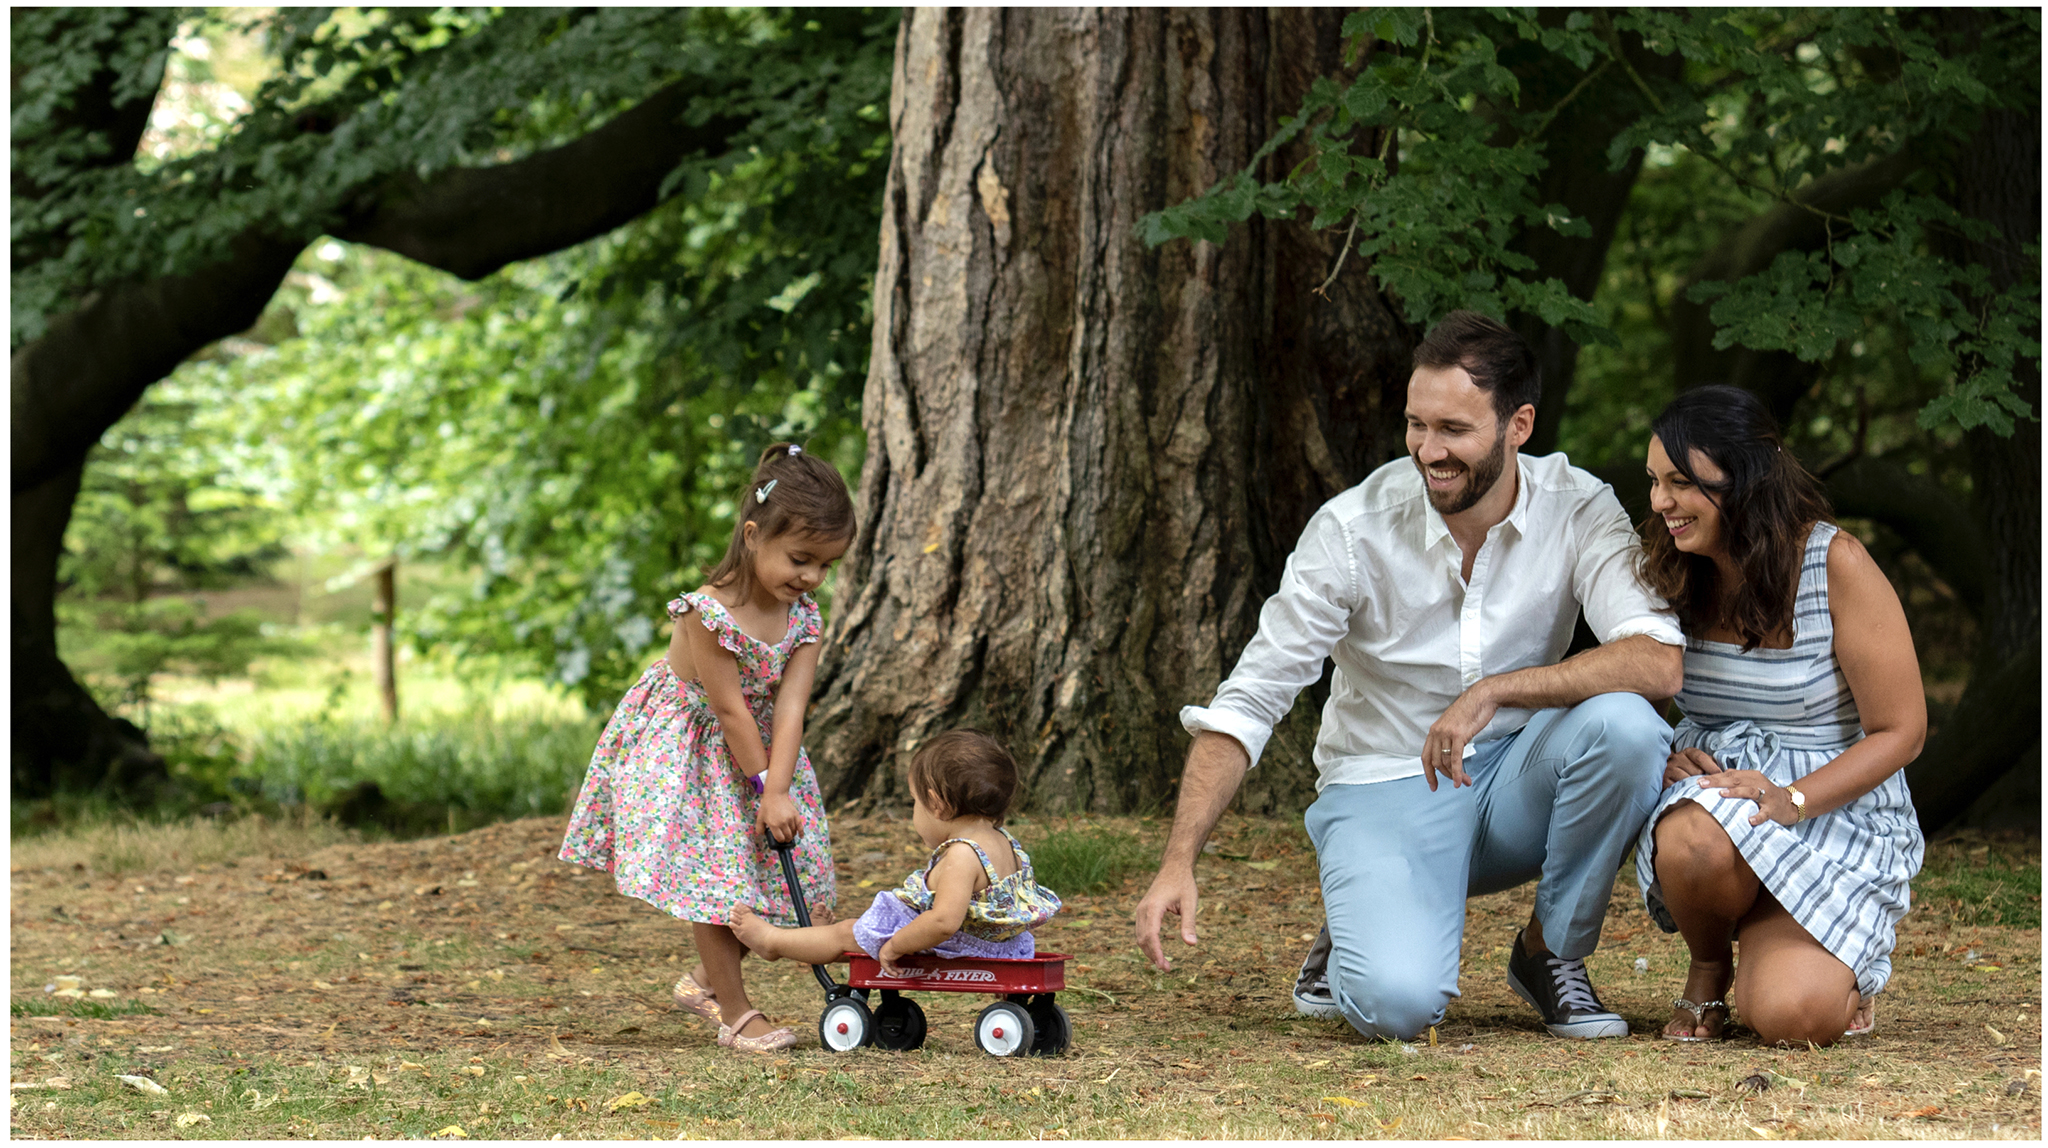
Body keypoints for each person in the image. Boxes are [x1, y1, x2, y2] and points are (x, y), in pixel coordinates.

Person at [1134, 310, 1686, 1041]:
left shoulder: (1576, 504)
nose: (1430, 451)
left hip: (1516, 779)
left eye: (1454, 429)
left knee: (1628, 729)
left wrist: (1492, 692)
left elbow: (1656, 658)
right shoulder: (1350, 529)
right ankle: (1355, 919)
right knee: (1396, 1009)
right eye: (1416, 425)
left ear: (1519, 425)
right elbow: (1251, 700)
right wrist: (1178, 861)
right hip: (1386, 784)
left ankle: (1550, 953)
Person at [1634, 386, 1925, 1045]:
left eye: (1682, 483)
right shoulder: (1665, 567)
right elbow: (1631, 701)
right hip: (1718, 814)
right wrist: (1660, 750)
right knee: (1694, 840)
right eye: (1654, 482)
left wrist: (1793, 798)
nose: (1660, 503)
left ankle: (1823, 966)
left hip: (1829, 813)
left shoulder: (1835, 563)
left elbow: (1902, 730)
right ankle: (1709, 967)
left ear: (1748, 478)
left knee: (1794, 1018)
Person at [558, 442, 855, 1054]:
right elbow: (728, 708)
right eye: (801, 559)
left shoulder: (804, 616)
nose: (811, 578)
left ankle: (704, 982)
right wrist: (764, 787)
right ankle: (735, 1011)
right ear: (753, 534)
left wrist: (779, 787)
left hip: (767, 754)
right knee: (720, 881)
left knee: (796, 878)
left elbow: (793, 705)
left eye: (825, 566)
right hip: (694, 749)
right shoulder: (707, 612)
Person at [731, 729, 1062, 977]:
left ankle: (772, 941)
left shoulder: (962, 855)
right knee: (859, 929)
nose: (915, 811)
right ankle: (808, 940)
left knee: (849, 932)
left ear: (937, 804)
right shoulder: (1002, 842)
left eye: (915, 802)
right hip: (1004, 945)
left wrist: (897, 945)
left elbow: (944, 921)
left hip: (960, 944)